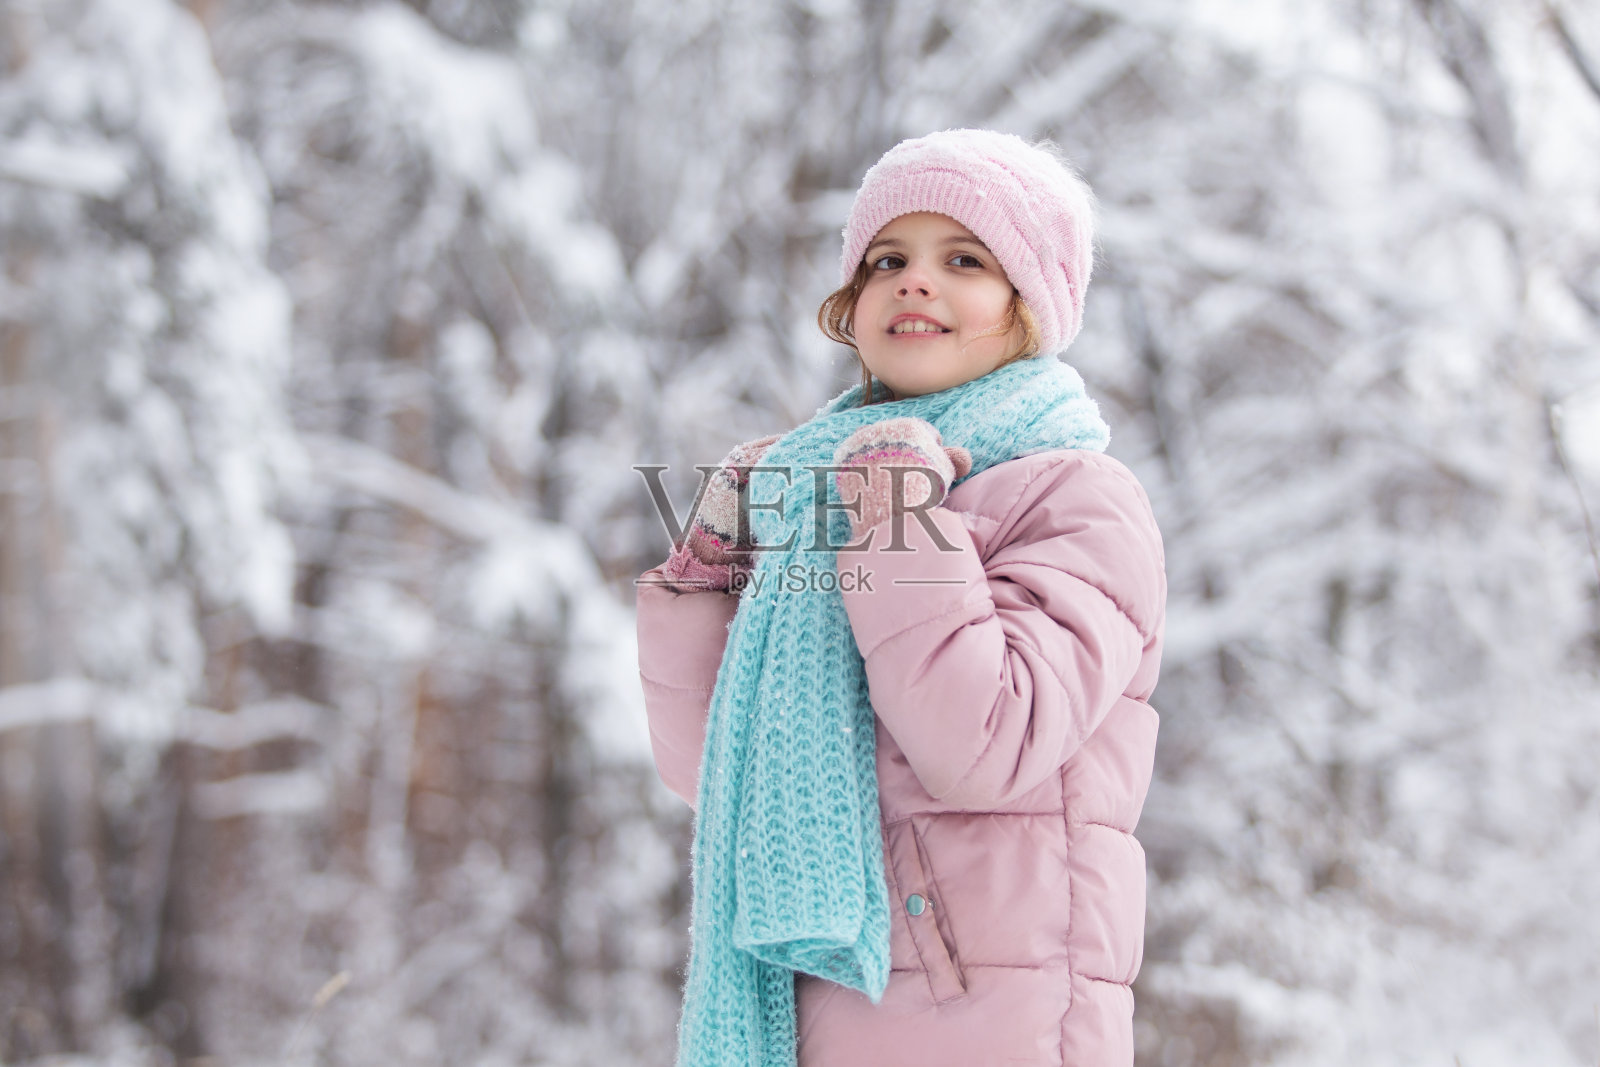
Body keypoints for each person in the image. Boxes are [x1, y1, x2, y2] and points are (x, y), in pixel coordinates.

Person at [636, 129, 1166, 1067]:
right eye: (888, 260)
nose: (915, 282)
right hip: (825, 1010)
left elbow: (983, 740)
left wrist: (893, 510)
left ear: (1030, 306)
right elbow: (714, 774)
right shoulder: (826, 487)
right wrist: (709, 572)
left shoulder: (1078, 498)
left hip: (990, 1026)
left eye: (964, 258)